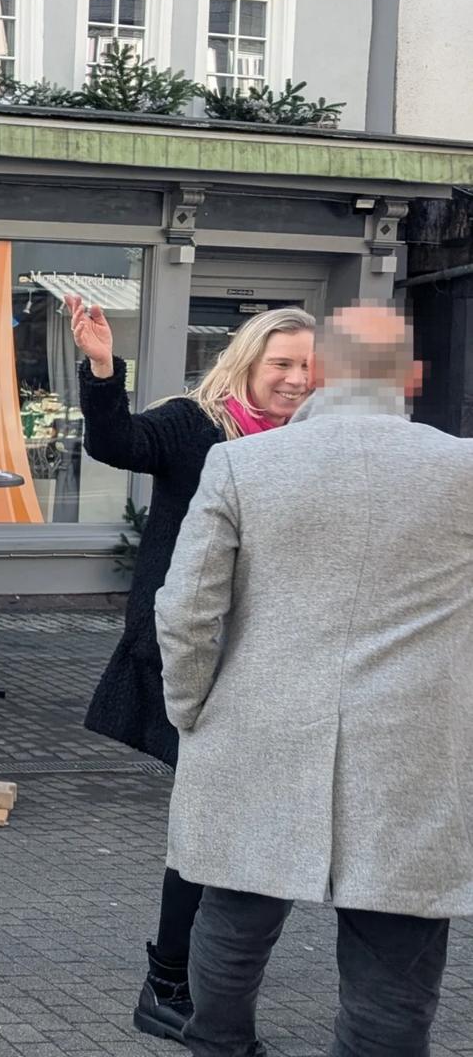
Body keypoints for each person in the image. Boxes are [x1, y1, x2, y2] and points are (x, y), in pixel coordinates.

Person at [155, 304, 472, 1057]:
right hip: (413, 742)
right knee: (396, 948)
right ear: (411, 378)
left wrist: (190, 708)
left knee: (233, 912)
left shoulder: (242, 464)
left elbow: (187, 610)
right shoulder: (463, 470)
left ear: (320, 371)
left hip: (257, 725)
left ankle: (220, 1046)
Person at [66, 295, 315, 1039]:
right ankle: (170, 982)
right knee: (215, 815)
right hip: (193, 653)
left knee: (228, 817)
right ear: (247, 360)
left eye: (308, 366)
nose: (296, 378)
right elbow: (117, 443)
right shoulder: (195, 423)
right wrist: (102, 368)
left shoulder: (314, 442)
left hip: (271, 655)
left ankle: (190, 976)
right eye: (282, 363)